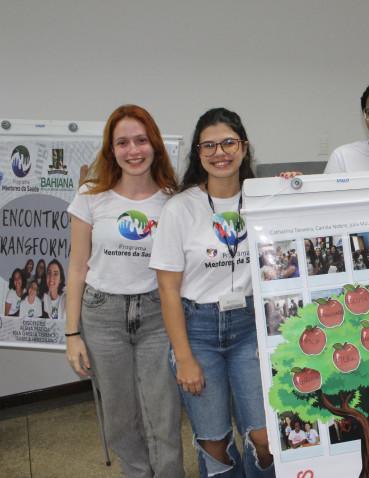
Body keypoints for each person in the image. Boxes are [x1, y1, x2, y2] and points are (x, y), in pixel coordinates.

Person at [150, 107, 274, 478]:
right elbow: (168, 289)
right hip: (198, 330)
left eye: (228, 143)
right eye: (209, 146)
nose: (220, 153)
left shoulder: (264, 199)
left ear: (244, 147)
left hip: (250, 327)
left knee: (266, 436)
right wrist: (184, 357)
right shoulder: (179, 208)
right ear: (198, 154)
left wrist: (290, 188)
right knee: (214, 442)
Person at [64, 104, 184, 477]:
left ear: (155, 145)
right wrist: (72, 334)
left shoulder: (173, 199)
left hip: (156, 314)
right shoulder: (90, 195)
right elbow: (77, 267)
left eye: (141, 140)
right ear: (111, 149)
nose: (133, 150)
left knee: (162, 415)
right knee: (119, 417)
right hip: (102, 315)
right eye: (122, 142)